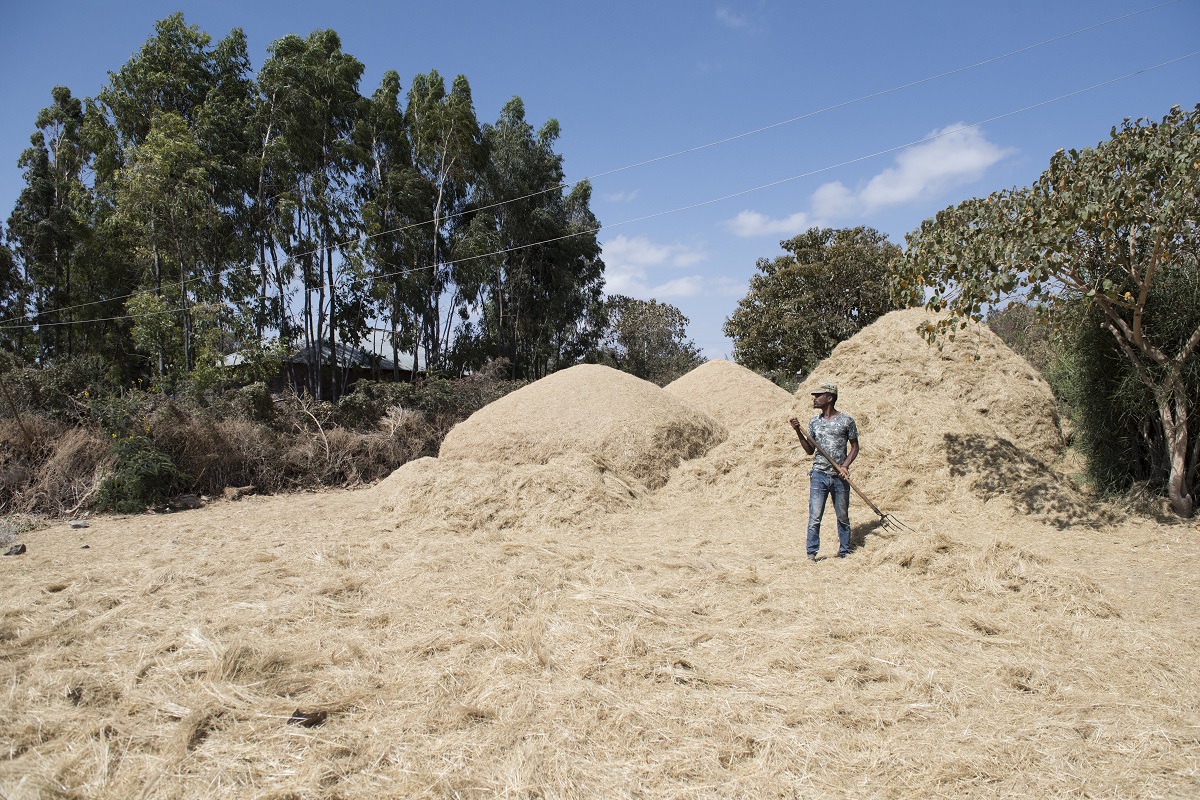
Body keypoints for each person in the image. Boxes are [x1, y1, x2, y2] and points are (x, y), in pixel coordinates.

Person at [789, 382, 859, 561]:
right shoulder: (814, 422)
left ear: (830, 398)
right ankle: (811, 553)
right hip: (818, 475)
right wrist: (798, 431)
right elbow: (809, 450)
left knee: (842, 516)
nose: (814, 399)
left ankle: (845, 551)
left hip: (839, 477)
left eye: (818, 396)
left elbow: (855, 447)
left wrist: (845, 465)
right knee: (815, 516)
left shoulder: (846, 421)